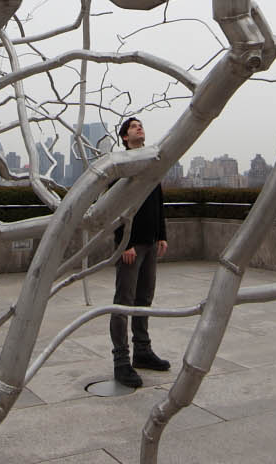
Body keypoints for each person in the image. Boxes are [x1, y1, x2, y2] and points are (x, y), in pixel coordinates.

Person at [109, 115, 171, 388]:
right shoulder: (122, 166)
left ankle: (142, 351)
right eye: (134, 127)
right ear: (124, 137)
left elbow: (158, 201)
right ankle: (121, 362)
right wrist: (125, 242)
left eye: (141, 125)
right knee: (123, 302)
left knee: (144, 299)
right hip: (131, 247)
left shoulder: (151, 162)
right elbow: (114, 207)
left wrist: (162, 235)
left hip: (150, 242)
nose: (139, 128)